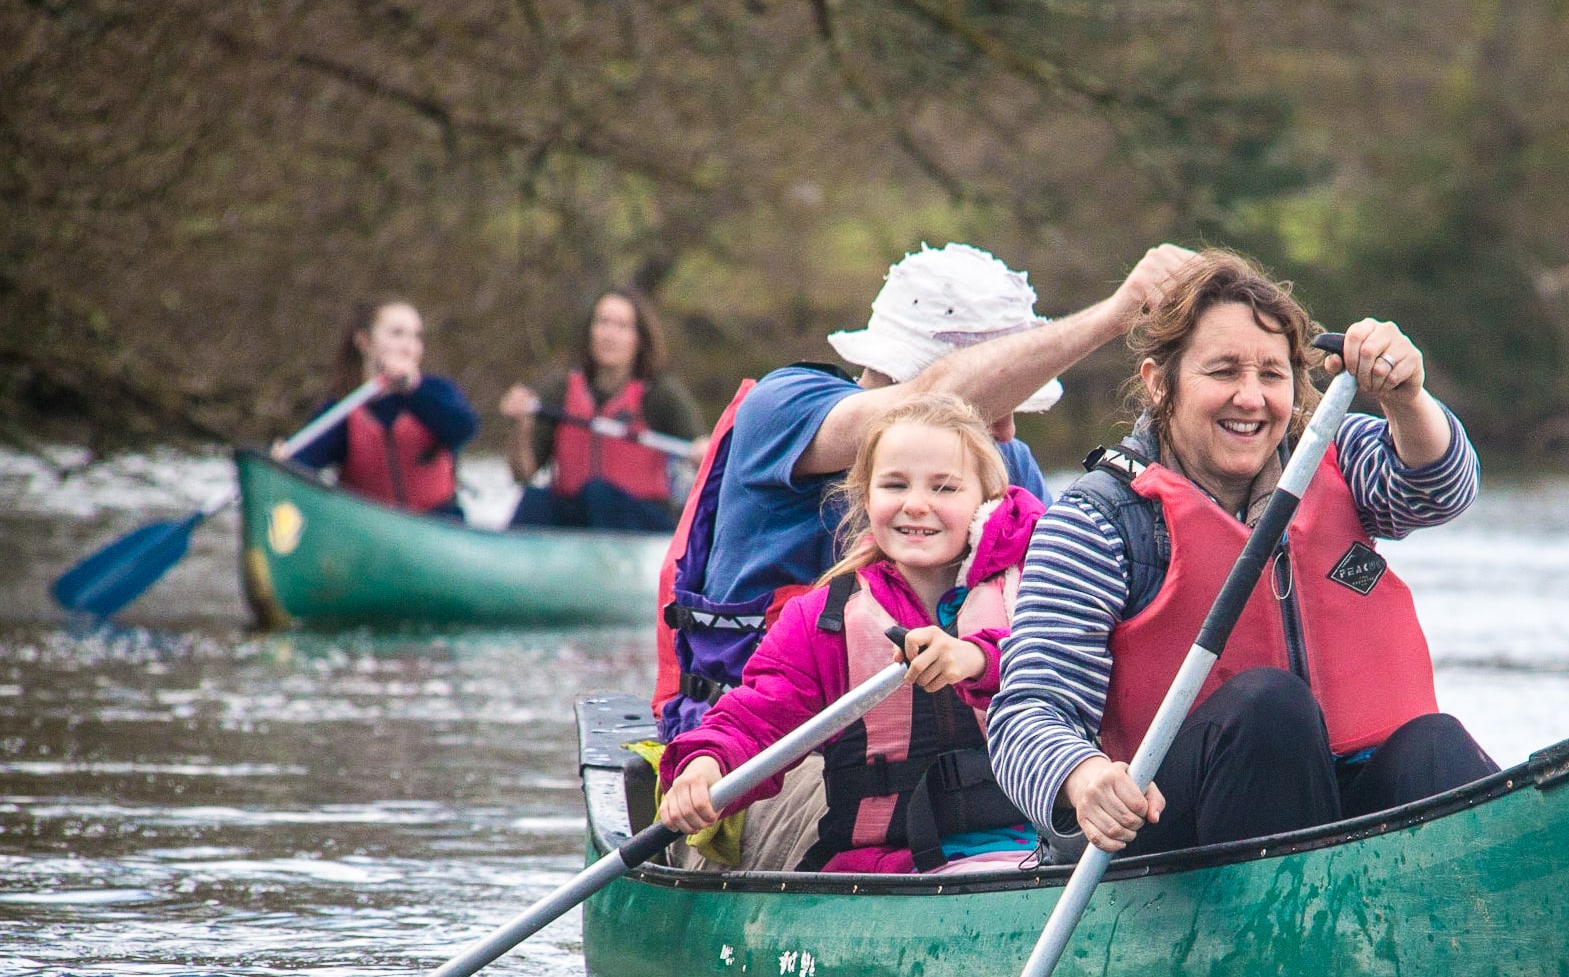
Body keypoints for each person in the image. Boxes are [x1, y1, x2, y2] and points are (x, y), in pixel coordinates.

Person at [987, 250, 1496, 857]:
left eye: (1272, 375)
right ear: (1159, 382)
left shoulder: (1340, 456)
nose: (1251, 398)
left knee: (1432, 745)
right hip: (1172, 835)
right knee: (1269, 708)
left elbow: (1441, 491)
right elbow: (1027, 714)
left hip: (1336, 800)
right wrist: (1086, 778)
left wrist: (1407, 399)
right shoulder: (1098, 521)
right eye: (1223, 371)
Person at [657, 241, 1193, 742]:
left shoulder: (1008, 465)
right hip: (762, 744)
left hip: (947, 756)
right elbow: (935, 397)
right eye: (996, 403)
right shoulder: (783, 409)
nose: (1006, 433)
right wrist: (1112, 316)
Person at [656, 394, 1043, 874]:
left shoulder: (1040, 586)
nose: (916, 504)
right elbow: (755, 719)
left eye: (944, 488)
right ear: (865, 498)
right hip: (884, 867)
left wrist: (977, 659)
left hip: (1041, 851)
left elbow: (1072, 673)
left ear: (986, 500)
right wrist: (706, 764)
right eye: (894, 485)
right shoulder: (821, 620)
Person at [499, 289, 706, 532]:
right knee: (536, 499)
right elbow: (522, 474)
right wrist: (522, 427)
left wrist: (702, 452)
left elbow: (702, 447)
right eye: (602, 323)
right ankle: (510, 556)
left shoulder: (660, 392)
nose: (610, 335)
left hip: (642, 520)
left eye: (622, 326)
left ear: (639, 339)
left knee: (597, 492)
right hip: (579, 514)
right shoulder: (561, 390)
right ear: (590, 331)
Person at [290, 298, 478, 520]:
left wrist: (413, 389)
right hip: (371, 535)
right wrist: (277, 462)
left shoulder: (437, 392)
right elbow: (300, 465)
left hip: (439, 529)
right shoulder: (344, 410)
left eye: (416, 336)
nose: (410, 348)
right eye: (397, 334)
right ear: (364, 342)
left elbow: (463, 428)